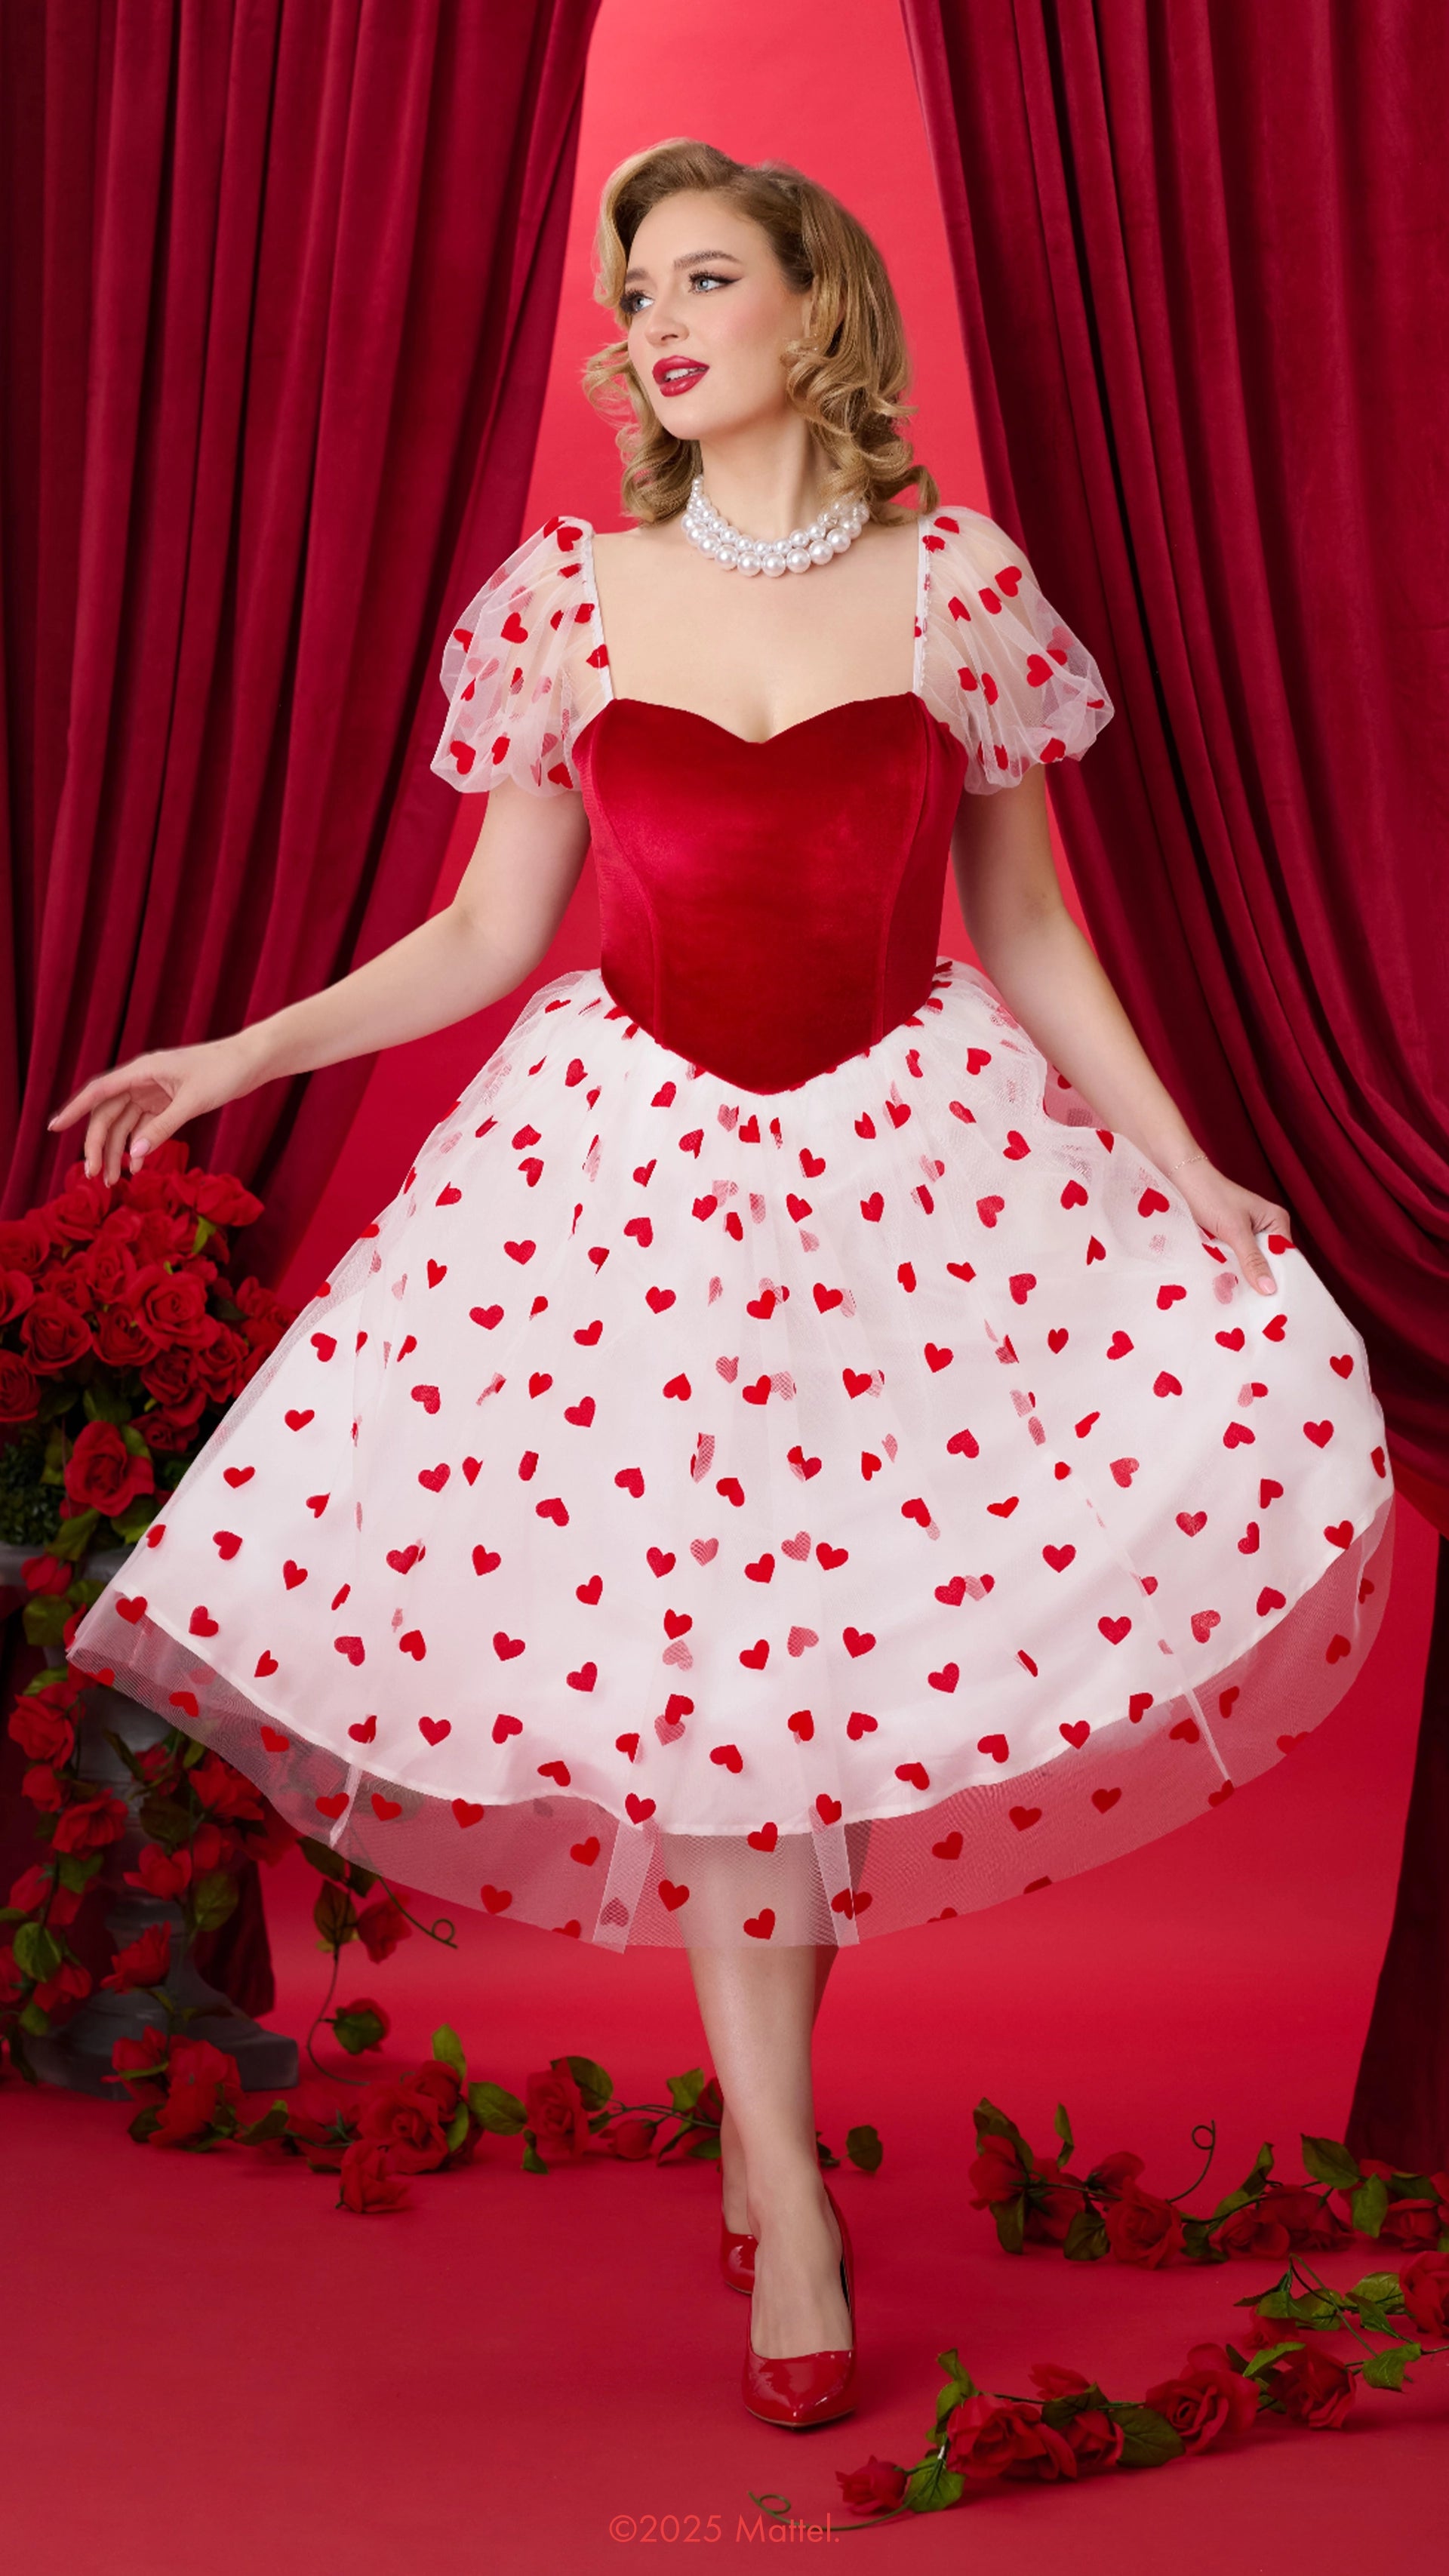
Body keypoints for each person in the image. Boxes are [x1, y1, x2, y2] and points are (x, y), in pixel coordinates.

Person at [54, 140, 1394, 2430]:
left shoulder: (951, 586)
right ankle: (786, 2177)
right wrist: (246, 1045)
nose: (657, 322)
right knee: (713, 1691)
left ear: (813, 309)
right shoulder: (571, 599)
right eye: (634, 286)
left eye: (704, 278)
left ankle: (778, 2155)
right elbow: (493, 932)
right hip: (631, 1194)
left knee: (827, 1677)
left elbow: (1035, 931)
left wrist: (1186, 1164)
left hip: (907, 1181)